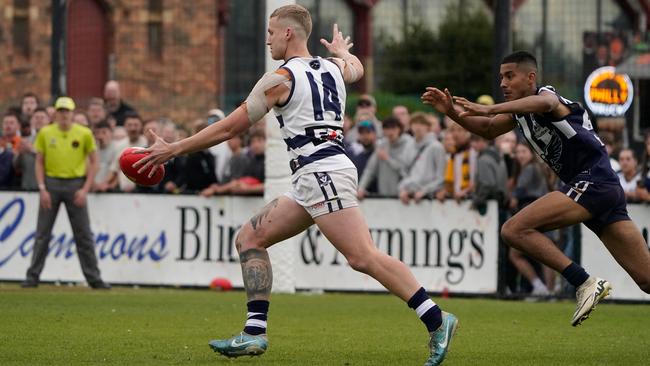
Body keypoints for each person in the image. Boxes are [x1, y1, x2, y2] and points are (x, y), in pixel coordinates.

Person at [135, 6, 457, 365]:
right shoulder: (334, 68)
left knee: (362, 256)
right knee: (249, 238)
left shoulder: (279, 80)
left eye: (271, 31)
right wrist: (343, 52)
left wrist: (174, 149)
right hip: (315, 175)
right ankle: (254, 333)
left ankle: (437, 319)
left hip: (322, 172)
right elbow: (357, 68)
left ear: (288, 33)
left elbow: (229, 128)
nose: (267, 38)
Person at [423, 50, 650, 327]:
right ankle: (586, 283)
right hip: (602, 189)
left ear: (530, 77)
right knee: (646, 279)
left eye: (510, 76)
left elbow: (544, 103)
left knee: (513, 230)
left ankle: (585, 282)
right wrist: (451, 113)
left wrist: (490, 107)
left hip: (594, 182)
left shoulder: (546, 96)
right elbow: (488, 129)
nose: (503, 83)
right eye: (501, 78)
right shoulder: (520, 114)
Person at [22, 97, 109, 289]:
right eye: (60, 111)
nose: (63, 115)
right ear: (56, 113)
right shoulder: (46, 132)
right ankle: (32, 277)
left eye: (67, 111)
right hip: (51, 183)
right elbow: (39, 161)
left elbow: (94, 161)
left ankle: (94, 278)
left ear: (72, 112)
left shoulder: (84, 133)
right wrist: (42, 188)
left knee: (83, 234)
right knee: (42, 234)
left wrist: (85, 188)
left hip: (75, 184)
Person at [358, 117, 415, 199]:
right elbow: (370, 170)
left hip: (405, 196)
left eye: (393, 128)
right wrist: (361, 188)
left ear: (400, 129)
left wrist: (387, 159)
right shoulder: (382, 145)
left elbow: (406, 170)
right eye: (387, 128)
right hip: (384, 196)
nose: (390, 132)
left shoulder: (409, 143)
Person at [398, 113, 446, 204]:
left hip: (430, 197)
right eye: (415, 124)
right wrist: (403, 189)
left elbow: (441, 177)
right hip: (410, 194)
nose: (418, 127)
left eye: (421, 124)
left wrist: (425, 191)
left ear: (428, 127)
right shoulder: (408, 146)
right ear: (410, 126)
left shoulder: (436, 147)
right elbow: (404, 171)